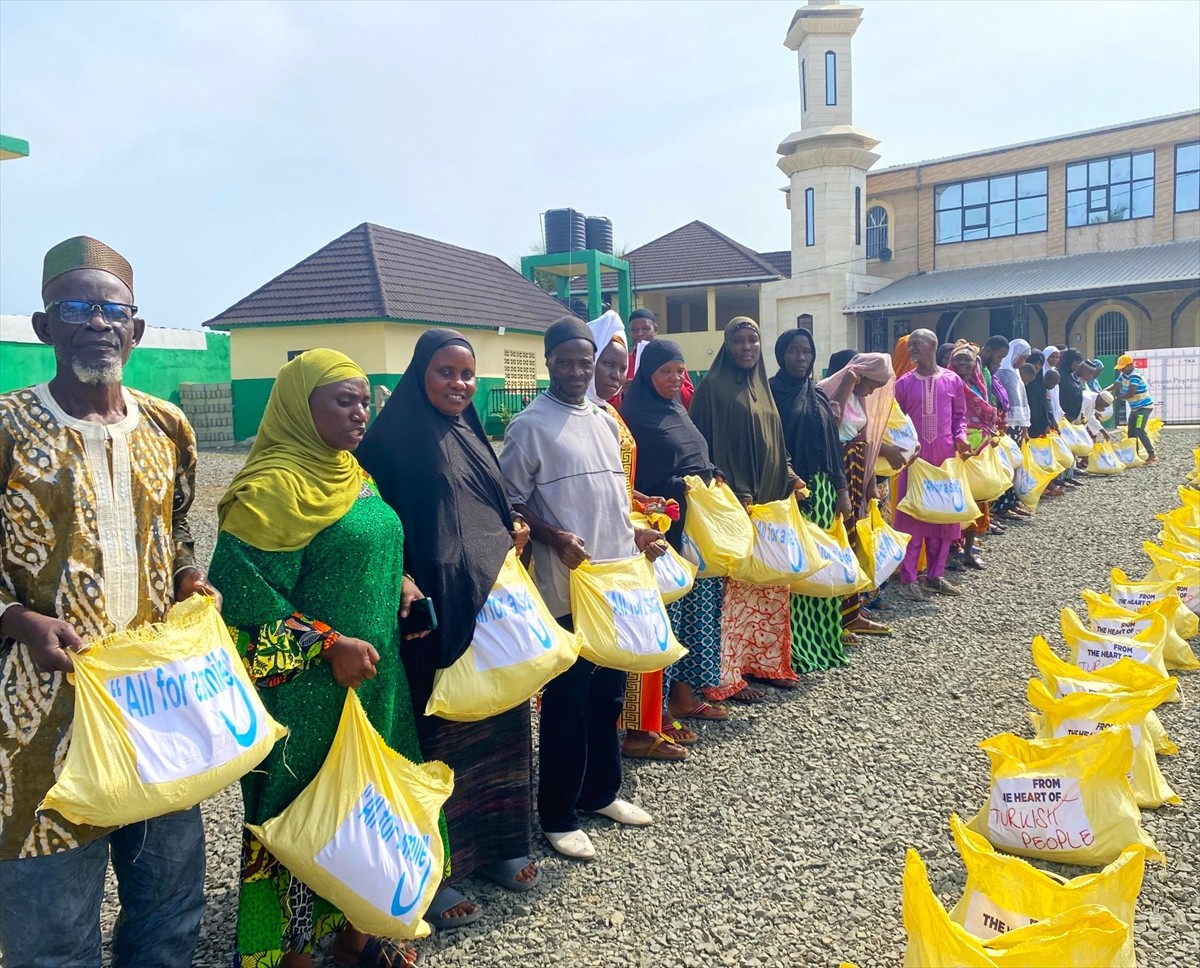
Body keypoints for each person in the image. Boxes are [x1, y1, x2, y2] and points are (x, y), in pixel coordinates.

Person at [0, 237, 210, 966]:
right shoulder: (5, 427)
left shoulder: (167, 427)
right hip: (41, 716)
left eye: (111, 310)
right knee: (51, 923)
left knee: (171, 903)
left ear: (137, 329)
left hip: (156, 703)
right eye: (77, 309)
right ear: (43, 325)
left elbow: (179, 531)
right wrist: (18, 618)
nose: (97, 324)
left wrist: (187, 577)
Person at [209, 349, 442, 967]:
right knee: (302, 816)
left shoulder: (353, 474)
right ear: (297, 406)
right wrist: (325, 644)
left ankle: (359, 930)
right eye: (344, 400)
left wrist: (401, 584)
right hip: (305, 693)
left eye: (365, 400)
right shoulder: (268, 491)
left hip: (372, 678)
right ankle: (291, 951)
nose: (360, 412)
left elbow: (373, 540)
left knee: (365, 804)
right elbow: (240, 607)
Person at [354, 329, 539, 929]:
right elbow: (379, 526)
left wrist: (511, 528)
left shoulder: (471, 432)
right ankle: (436, 873)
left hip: (488, 610)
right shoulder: (389, 440)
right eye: (446, 372)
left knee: (501, 724)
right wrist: (404, 581)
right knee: (437, 741)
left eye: (467, 374)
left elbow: (489, 503)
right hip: (430, 622)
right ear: (419, 374)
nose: (459, 384)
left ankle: (498, 846)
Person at [499, 317, 664, 861]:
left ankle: (601, 793)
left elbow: (610, 499)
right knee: (568, 702)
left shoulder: (602, 419)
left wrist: (637, 531)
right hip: (564, 585)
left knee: (607, 696)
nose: (576, 371)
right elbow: (508, 503)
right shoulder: (530, 426)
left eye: (583, 362)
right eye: (566, 362)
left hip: (613, 582)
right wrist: (550, 535)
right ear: (548, 362)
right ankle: (558, 813)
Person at [585, 312, 691, 762]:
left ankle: (642, 728)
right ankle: (631, 733)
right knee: (625, 636)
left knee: (645, 632)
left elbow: (618, 479)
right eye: (605, 363)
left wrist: (642, 499)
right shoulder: (582, 415)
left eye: (619, 364)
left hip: (632, 532)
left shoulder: (610, 410)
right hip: (606, 542)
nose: (613, 373)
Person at [690, 317, 805, 702]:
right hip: (735, 505)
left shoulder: (764, 388)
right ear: (727, 345)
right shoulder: (711, 390)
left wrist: (791, 477)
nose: (746, 347)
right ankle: (729, 674)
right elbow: (701, 450)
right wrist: (728, 491)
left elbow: (778, 443)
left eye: (752, 340)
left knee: (768, 584)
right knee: (734, 593)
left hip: (770, 505)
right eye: (738, 341)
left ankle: (766, 664)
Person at [620, 339, 731, 723]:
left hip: (693, 533)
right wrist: (674, 484)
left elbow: (695, 453)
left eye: (679, 371)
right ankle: (657, 710)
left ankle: (684, 695)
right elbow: (636, 477)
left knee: (695, 615)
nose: (673, 378)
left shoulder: (677, 410)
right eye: (665, 371)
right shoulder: (636, 416)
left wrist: (711, 473)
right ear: (648, 374)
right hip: (662, 535)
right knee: (667, 618)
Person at [771, 329, 853, 671]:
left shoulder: (817, 395)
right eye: (793, 351)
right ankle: (797, 650)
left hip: (821, 492)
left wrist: (842, 489)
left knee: (823, 564)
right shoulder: (772, 394)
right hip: (792, 493)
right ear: (781, 355)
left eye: (806, 351)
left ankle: (823, 640)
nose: (800, 357)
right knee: (798, 568)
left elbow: (833, 447)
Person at [817, 352, 899, 637]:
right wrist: (846, 384)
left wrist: (868, 485)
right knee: (837, 540)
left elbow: (863, 438)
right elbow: (830, 424)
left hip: (855, 471)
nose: (872, 391)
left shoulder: (861, 396)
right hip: (835, 473)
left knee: (852, 542)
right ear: (860, 374)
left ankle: (852, 614)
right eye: (871, 383)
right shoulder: (830, 389)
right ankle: (833, 617)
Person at [891, 329, 971, 600]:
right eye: (910, 345)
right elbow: (896, 422)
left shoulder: (952, 380)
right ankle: (909, 579)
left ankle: (936, 577)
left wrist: (960, 439)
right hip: (914, 462)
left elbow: (960, 416)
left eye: (917, 344)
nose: (911, 349)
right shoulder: (902, 384)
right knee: (912, 519)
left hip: (944, 461)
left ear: (932, 346)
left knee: (943, 518)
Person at [948, 341, 998, 568]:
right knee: (955, 498)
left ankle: (968, 550)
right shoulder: (948, 383)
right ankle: (950, 551)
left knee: (977, 499)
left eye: (967, 359)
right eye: (958, 358)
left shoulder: (979, 385)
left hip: (979, 448)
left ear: (974, 362)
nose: (962, 363)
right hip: (956, 447)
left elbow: (986, 410)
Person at [993, 338, 1033, 520]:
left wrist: (1024, 426)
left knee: (1014, 465)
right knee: (1007, 465)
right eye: (1023, 358)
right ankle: (1002, 505)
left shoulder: (1013, 372)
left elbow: (1022, 401)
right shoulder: (1005, 374)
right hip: (1008, 426)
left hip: (1016, 426)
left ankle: (1012, 500)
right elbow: (1011, 402)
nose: (1023, 362)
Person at [626, 308, 694, 408]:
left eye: (645, 329)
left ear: (656, 329)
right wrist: (624, 392)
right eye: (634, 330)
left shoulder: (671, 360)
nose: (640, 333)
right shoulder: (625, 363)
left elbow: (690, 401)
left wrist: (672, 383)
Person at [1109, 353, 1158, 464]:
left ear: (1130, 365)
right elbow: (1116, 385)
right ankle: (1133, 454)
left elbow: (1131, 393)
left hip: (1143, 408)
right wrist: (1105, 391)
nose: (1121, 371)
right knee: (1131, 431)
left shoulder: (1135, 375)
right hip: (1135, 409)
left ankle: (1152, 455)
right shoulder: (1124, 375)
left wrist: (1116, 397)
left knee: (1139, 429)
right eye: (1120, 369)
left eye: (1123, 368)